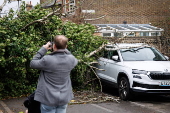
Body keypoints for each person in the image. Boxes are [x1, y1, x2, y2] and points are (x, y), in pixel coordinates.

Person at [30, 35, 78, 113]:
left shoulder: (47, 59)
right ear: (66, 46)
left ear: (54, 46)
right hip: (63, 98)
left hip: (48, 98)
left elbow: (33, 63)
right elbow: (71, 56)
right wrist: (64, 48)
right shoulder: (71, 59)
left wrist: (44, 49)